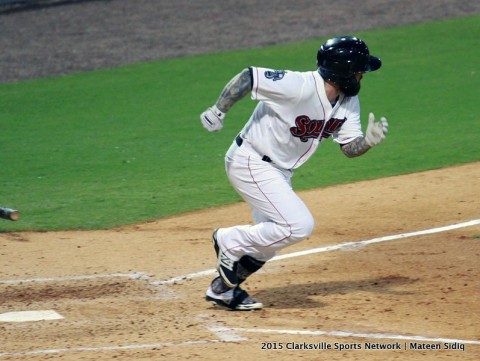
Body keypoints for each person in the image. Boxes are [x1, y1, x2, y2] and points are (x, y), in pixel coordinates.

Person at [199, 35, 389, 311]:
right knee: (298, 226)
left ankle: (222, 291)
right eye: (359, 71)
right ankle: (228, 240)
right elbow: (249, 77)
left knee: (269, 245)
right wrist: (218, 110)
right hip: (251, 161)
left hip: (279, 172)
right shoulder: (298, 86)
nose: (362, 76)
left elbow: (348, 147)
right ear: (344, 72)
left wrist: (367, 142)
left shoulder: (347, 103)